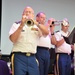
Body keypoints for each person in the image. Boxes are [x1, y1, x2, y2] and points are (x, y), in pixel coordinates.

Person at [9, 6, 49, 75]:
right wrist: (21, 25)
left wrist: (37, 24)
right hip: (19, 57)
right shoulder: (16, 24)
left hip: (32, 57)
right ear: (22, 14)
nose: (28, 13)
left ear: (33, 15)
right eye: (26, 12)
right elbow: (13, 39)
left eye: (30, 12)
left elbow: (46, 32)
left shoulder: (37, 26)